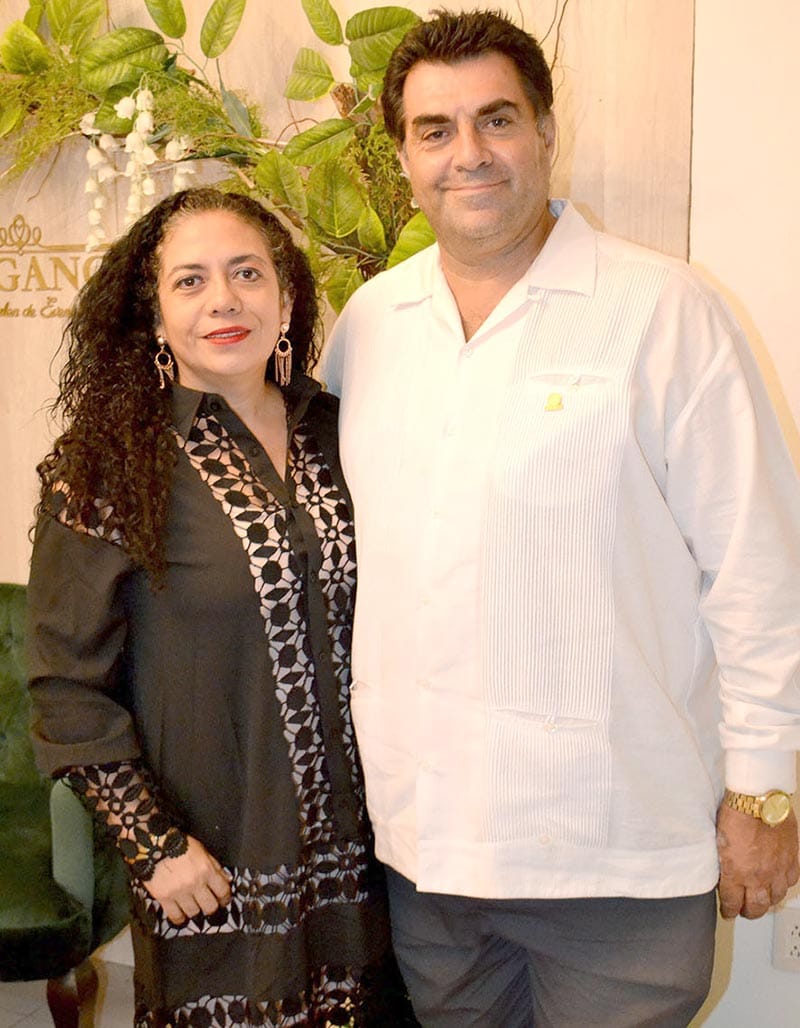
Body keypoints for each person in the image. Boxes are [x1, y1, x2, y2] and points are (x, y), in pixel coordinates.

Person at [320, 9, 800, 1027]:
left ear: (544, 130)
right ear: (402, 155)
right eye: (435, 129)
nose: (468, 152)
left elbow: (756, 569)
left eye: (495, 119)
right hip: (426, 853)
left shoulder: (663, 309)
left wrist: (763, 792)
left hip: (612, 848)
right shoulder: (371, 325)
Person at [26, 187, 416, 1027]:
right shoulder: (104, 469)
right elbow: (65, 688)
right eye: (190, 281)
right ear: (155, 316)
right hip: (212, 865)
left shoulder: (346, 433)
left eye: (246, 273)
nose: (224, 301)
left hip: (371, 859)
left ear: (286, 294)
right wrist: (154, 846)